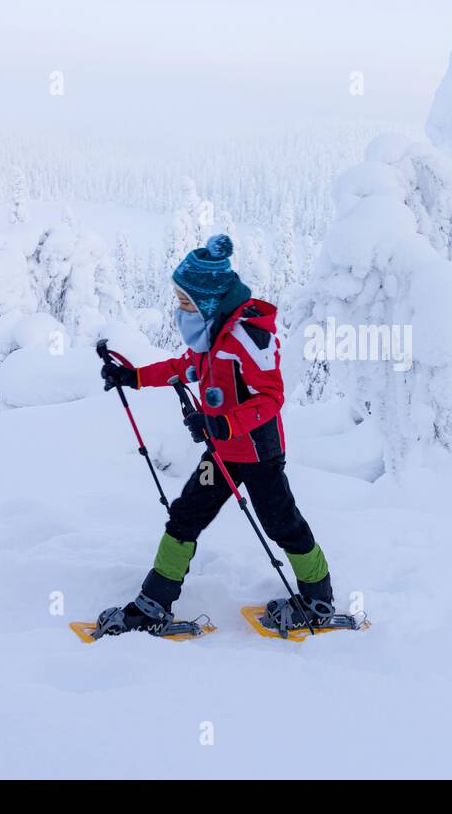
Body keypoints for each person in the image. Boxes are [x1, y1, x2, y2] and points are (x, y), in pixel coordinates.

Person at [93, 234, 336, 635]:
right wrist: (132, 376)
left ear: (208, 300)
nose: (180, 308)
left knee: (282, 524)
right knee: (184, 517)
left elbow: (272, 397)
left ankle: (319, 598)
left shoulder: (247, 339)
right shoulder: (212, 336)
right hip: (223, 451)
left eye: (185, 301)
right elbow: (184, 367)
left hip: (259, 454)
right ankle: (153, 604)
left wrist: (223, 423)